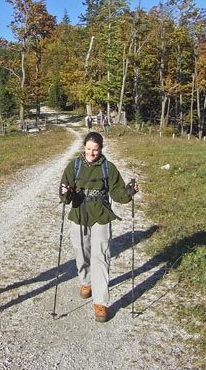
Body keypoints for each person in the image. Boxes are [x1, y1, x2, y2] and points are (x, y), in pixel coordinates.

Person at [59, 131, 138, 323]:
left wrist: (129, 192)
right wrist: (65, 194)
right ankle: (86, 281)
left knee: (101, 257)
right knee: (81, 253)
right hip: (79, 215)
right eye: (88, 149)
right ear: (83, 148)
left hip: (101, 216)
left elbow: (118, 194)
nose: (92, 153)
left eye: (95, 150)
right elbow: (63, 192)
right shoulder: (74, 166)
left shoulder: (108, 168)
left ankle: (100, 302)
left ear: (101, 149)